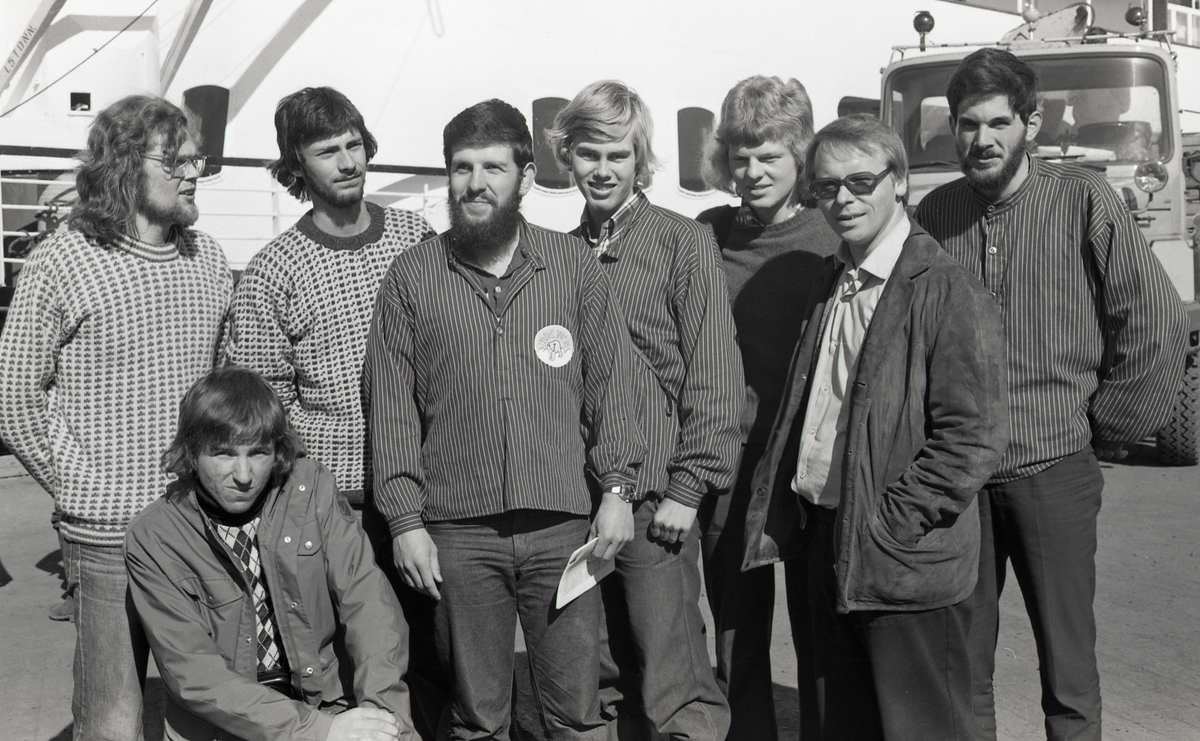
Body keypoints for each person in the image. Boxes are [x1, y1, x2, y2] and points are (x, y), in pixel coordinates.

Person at [913, 49, 1188, 741]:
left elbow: (1153, 319)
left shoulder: (1083, 198)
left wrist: (1105, 428)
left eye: (999, 122)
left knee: (1068, 673)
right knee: (959, 667)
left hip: (1053, 467)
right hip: (957, 481)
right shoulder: (932, 213)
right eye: (968, 124)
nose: (982, 139)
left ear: (1029, 124)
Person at [365, 98, 645, 741]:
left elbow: (613, 390)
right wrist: (405, 522)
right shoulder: (411, 278)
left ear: (524, 175)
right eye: (462, 167)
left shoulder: (573, 269)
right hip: (458, 536)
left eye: (494, 167)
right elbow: (393, 410)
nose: (476, 183)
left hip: (564, 527)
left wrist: (619, 491)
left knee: (575, 713)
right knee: (478, 716)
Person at [743, 114, 1009, 740]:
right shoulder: (831, 281)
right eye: (828, 186)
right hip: (825, 539)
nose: (843, 199)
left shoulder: (947, 290)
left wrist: (890, 523)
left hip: (899, 556)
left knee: (924, 728)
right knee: (840, 726)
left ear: (901, 183)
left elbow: (971, 438)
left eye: (861, 181)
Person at [0, 94, 232, 741]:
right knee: (113, 717)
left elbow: (222, 389)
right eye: (177, 160)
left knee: (212, 706)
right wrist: (79, 482)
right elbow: (13, 393)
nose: (193, 172)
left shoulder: (207, 258)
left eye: (197, 160)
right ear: (125, 166)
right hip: (107, 538)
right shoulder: (64, 257)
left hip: (201, 527)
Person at [221, 87, 443, 739]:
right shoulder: (274, 271)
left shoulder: (417, 237)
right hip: (335, 507)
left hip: (428, 498)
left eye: (354, 144)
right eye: (327, 151)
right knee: (342, 674)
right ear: (297, 166)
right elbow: (264, 409)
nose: (347, 162)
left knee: (434, 662)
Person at [547, 80, 742, 741]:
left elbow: (715, 375)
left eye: (618, 156)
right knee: (601, 669)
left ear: (640, 161)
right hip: (585, 498)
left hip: (660, 500)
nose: (602, 170)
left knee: (674, 675)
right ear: (566, 158)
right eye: (588, 154)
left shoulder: (683, 242)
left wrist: (688, 488)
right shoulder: (559, 255)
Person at [125, 366, 415, 741]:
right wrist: (319, 732)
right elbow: (194, 676)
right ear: (192, 452)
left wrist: (381, 715)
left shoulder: (311, 489)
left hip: (329, 706)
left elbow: (369, 604)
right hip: (221, 727)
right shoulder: (154, 536)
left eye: (258, 453)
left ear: (277, 449)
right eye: (224, 454)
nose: (243, 475)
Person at [696, 74, 839, 741]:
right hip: (731, 467)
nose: (751, 171)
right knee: (738, 638)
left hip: (811, 469)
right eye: (741, 155)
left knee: (821, 639)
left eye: (769, 155)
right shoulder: (707, 235)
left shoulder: (831, 236)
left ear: (800, 154)